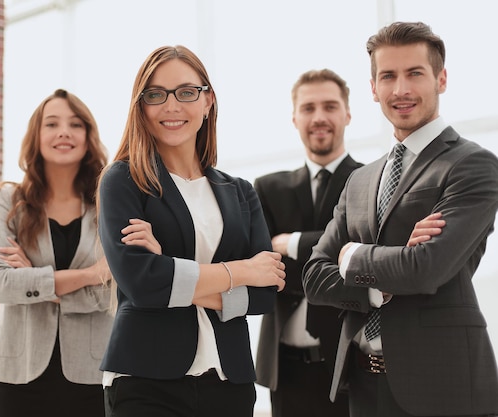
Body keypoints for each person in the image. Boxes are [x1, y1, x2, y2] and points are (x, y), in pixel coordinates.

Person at [302, 21, 498, 417]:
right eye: (388, 76)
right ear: (373, 88)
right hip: (363, 385)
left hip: (444, 387)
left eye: (415, 74)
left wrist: (354, 256)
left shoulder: (472, 165)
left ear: (441, 79)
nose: (401, 90)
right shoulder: (360, 179)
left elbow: (427, 269)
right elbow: (313, 276)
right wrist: (378, 286)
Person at [96, 45, 286, 417]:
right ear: (141, 106)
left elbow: (263, 297)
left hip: (229, 380)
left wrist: (169, 269)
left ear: (208, 101)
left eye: (186, 92)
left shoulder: (240, 191)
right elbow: (141, 284)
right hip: (145, 378)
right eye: (156, 95)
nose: (171, 106)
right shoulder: (123, 180)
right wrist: (241, 271)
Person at [0, 89, 112, 417]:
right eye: (51, 124)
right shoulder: (8, 202)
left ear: (88, 136)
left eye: (76, 124)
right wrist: (89, 275)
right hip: (19, 373)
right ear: (36, 136)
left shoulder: (108, 207)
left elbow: (114, 293)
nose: (64, 132)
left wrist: (34, 280)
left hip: (91, 375)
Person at [255, 69, 362, 417]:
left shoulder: (370, 181)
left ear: (347, 113)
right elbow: (262, 269)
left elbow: (371, 251)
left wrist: (293, 243)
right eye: (308, 108)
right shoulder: (268, 189)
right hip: (286, 373)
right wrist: (339, 254)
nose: (319, 117)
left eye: (330, 106)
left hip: (354, 370)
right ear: (294, 117)